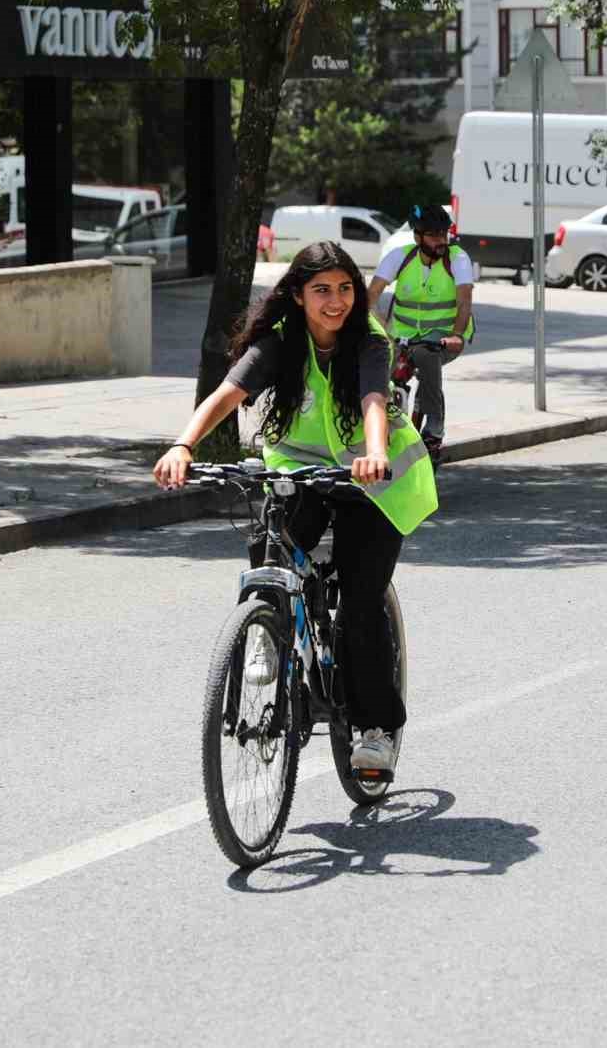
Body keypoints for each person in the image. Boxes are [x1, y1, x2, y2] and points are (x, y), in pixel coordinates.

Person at [153, 242, 438, 770]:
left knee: (359, 602)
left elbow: (375, 401)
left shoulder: (367, 342)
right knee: (273, 537)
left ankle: (375, 727)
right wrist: (182, 445)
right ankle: (266, 628)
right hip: (301, 469)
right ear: (299, 295)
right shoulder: (281, 343)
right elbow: (227, 394)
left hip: (374, 479)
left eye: (345, 288)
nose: (336, 302)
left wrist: (375, 454)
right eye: (322, 290)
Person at [366, 205, 474, 459]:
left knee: (427, 357)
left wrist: (457, 334)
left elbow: (464, 300)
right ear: (418, 236)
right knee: (380, 372)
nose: (441, 241)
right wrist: (377, 326)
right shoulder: (399, 257)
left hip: (443, 335)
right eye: (433, 235)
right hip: (400, 335)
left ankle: (434, 430)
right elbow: (371, 296)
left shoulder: (457, 259)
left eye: (444, 234)